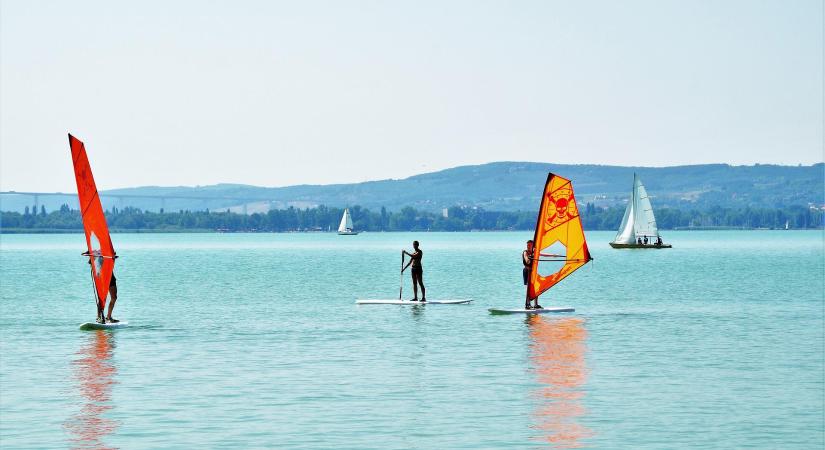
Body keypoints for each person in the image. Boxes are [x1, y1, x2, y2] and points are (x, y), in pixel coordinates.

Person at [522, 240, 542, 310]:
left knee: (536, 287)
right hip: (527, 271)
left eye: (530, 245)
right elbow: (526, 258)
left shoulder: (534, 252)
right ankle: (527, 304)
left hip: (533, 272)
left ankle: (535, 304)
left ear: (532, 245)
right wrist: (528, 259)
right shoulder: (525, 252)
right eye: (527, 245)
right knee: (529, 288)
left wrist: (554, 255)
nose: (528, 246)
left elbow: (542, 254)